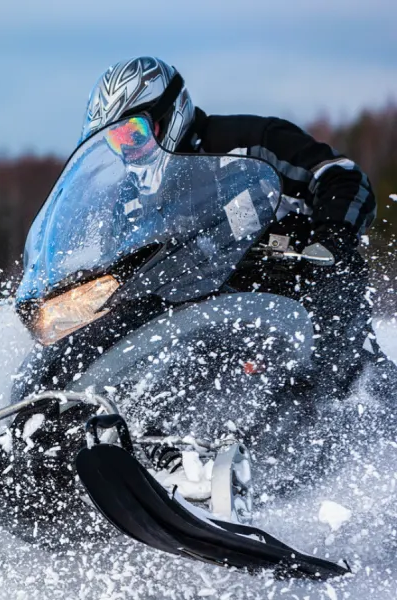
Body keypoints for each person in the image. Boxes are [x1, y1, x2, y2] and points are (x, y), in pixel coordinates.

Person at [79, 56, 381, 399]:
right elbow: (124, 264)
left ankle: (353, 402)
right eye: (116, 141)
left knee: (338, 315)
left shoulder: (250, 143)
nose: (128, 152)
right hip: (198, 327)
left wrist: (331, 238)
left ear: (168, 115)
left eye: (134, 133)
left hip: (290, 298)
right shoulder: (129, 201)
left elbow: (341, 176)